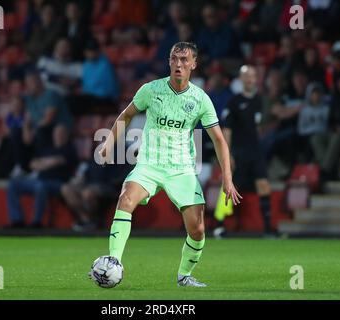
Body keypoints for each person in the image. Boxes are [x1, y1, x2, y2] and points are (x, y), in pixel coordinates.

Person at [97, 42, 242, 287]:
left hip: (182, 169)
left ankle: (184, 275)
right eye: (174, 59)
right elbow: (127, 114)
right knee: (126, 199)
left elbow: (219, 140)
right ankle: (113, 262)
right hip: (149, 164)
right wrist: (108, 144)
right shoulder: (151, 90)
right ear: (169, 61)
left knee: (197, 230)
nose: (178, 64)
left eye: (185, 60)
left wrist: (227, 177)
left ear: (194, 64)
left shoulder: (200, 99)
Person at [221, 65, 274, 235]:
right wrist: (227, 155)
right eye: (247, 76)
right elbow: (226, 130)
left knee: (264, 185)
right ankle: (219, 224)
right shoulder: (234, 102)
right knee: (229, 187)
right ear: (241, 79)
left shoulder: (260, 101)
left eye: (253, 76)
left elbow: (261, 127)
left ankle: (268, 229)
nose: (250, 79)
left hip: (256, 152)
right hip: (239, 151)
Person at [6, 125, 76, 228]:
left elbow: (58, 161)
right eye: (57, 133)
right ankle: (17, 220)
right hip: (39, 180)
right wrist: (50, 162)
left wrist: (43, 163)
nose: (59, 136)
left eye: (61, 133)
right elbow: (32, 164)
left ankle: (36, 222)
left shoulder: (69, 149)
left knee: (40, 186)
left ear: (66, 135)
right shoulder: (47, 149)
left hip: (57, 183)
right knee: (13, 184)